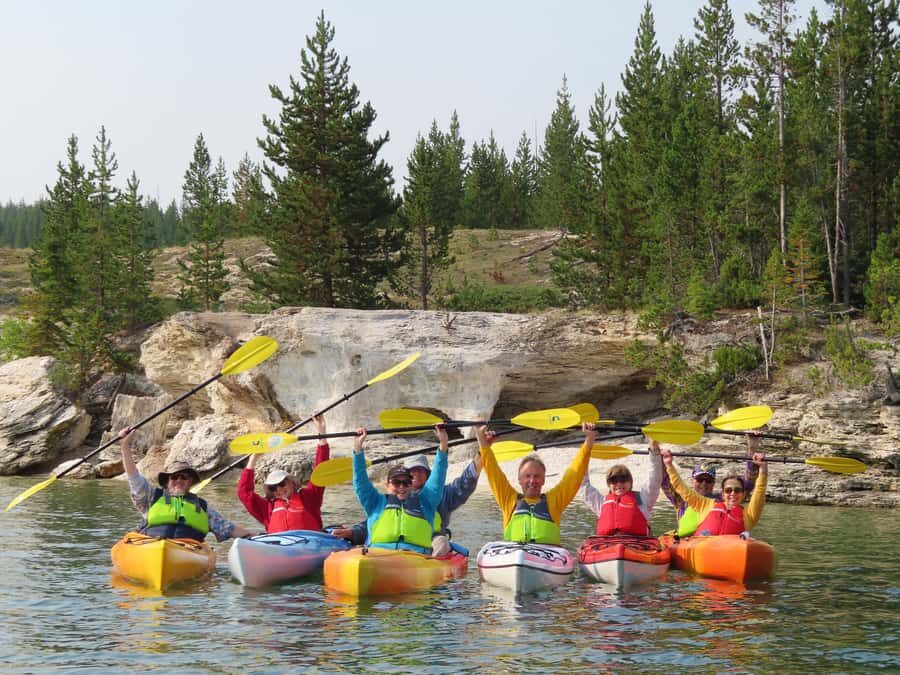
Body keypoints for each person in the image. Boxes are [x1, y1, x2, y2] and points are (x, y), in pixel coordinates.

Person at [331, 450, 483, 556]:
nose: (416, 474)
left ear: (428, 474)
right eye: (412, 471)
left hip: (428, 543)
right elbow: (378, 522)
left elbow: (465, 483)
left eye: (421, 470)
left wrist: (481, 455)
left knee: (441, 542)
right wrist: (353, 532)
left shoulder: (441, 495)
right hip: (388, 549)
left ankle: (433, 572)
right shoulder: (387, 500)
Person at [118, 428, 253, 541]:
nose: (179, 481)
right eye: (175, 477)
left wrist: (255, 535)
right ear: (166, 482)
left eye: (184, 478)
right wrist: (125, 446)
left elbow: (228, 528)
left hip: (188, 549)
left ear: (190, 483)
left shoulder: (202, 506)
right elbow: (133, 476)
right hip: (152, 546)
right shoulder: (151, 497)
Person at [477, 422, 597, 545]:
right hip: (514, 554)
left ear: (544, 479)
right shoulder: (508, 499)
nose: (532, 481)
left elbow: (574, 475)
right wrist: (482, 441)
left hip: (546, 557)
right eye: (527, 476)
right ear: (519, 479)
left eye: (537, 476)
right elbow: (493, 472)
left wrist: (588, 441)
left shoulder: (554, 500)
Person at [351, 425, 449, 554]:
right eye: (397, 482)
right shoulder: (375, 502)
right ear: (388, 485)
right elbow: (360, 481)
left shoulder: (426, 502)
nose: (402, 487)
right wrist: (358, 449)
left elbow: (438, 475)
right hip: (378, 555)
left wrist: (443, 444)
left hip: (416, 557)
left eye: (406, 482)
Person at [237, 414, 330, 533]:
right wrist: (253, 458)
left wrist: (321, 433)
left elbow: (321, 470)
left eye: (282, 484)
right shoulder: (266, 508)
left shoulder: (310, 497)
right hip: (280, 546)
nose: (278, 489)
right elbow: (244, 493)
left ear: (292, 483)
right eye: (273, 487)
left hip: (311, 543)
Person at [660, 433, 761, 537]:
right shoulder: (681, 499)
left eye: (708, 480)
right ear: (692, 481)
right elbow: (664, 481)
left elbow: (748, 483)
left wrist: (752, 448)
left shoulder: (722, 499)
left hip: (717, 543)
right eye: (700, 479)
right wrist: (661, 459)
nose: (704, 483)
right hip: (688, 542)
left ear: (713, 483)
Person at [582, 439, 662, 536]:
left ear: (630, 482)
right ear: (609, 484)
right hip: (608, 546)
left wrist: (654, 451)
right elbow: (583, 484)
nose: (619, 483)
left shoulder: (643, 499)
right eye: (614, 481)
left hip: (637, 546)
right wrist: (586, 447)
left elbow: (655, 478)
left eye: (623, 479)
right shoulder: (601, 503)